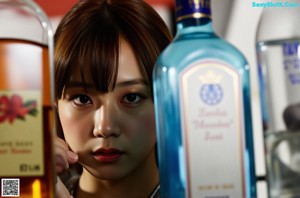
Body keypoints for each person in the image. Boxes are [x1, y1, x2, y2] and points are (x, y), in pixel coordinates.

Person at [54, 0, 172, 197]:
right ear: (55, 103)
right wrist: (21, 179)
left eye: (132, 97)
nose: (105, 127)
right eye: (82, 99)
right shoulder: (35, 188)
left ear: (168, 101)